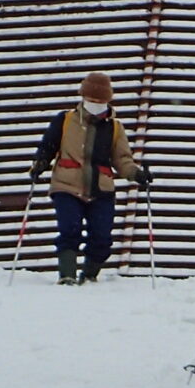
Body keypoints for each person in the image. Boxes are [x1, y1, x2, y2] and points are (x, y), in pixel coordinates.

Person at [26, 71, 150, 284]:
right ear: (83, 97)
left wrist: (136, 174)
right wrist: (39, 165)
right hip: (66, 184)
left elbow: (122, 159)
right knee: (69, 229)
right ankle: (67, 275)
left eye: (99, 100)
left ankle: (90, 274)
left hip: (100, 188)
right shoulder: (64, 120)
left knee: (102, 238)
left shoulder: (114, 128)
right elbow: (48, 147)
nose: (95, 104)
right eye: (91, 99)